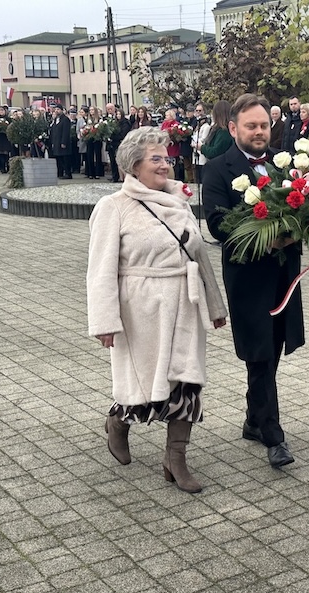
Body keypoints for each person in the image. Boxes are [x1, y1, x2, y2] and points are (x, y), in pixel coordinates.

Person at [87, 126, 228, 493]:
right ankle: (118, 423)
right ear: (133, 165)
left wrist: (215, 304)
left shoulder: (179, 202)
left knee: (186, 382)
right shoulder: (113, 207)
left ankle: (175, 458)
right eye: (156, 159)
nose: (165, 165)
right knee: (143, 384)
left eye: (166, 158)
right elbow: (100, 270)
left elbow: (197, 255)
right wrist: (105, 321)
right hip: (141, 310)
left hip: (185, 303)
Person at [203, 93, 305, 469]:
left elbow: (303, 205)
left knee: (271, 349)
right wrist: (267, 236)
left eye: (263, 125)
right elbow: (218, 224)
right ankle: (273, 436)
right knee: (259, 353)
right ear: (233, 129)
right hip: (248, 278)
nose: (259, 131)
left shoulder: (284, 164)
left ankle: (253, 420)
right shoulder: (218, 169)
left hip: (284, 275)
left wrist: (302, 227)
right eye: (251, 126)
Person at [49, 104, 73, 179]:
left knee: (65, 159)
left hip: (63, 142)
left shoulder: (65, 119)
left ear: (62, 110)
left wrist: (63, 142)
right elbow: (54, 131)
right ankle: (60, 173)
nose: (56, 111)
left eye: (58, 109)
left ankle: (68, 173)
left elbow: (66, 132)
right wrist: (53, 142)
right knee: (59, 158)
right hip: (56, 142)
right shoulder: (56, 119)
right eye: (55, 109)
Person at [109, 108, 132, 182]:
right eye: (117, 114)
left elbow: (123, 134)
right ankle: (114, 176)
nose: (118, 116)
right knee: (113, 161)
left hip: (120, 143)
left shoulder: (125, 123)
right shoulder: (114, 122)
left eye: (119, 114)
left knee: (119, 161)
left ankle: (122, 177)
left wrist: (113, 137)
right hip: (113, 143)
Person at [160, 109, 183, 180]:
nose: (166, 116)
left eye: (167, 115)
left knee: (174, 164)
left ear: (171, 116)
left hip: (173, 147)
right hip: (166, 147)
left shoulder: (176, 124)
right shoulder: (164, 123)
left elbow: (178, 134)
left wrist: (172, 139)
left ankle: (176, 177)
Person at [191, 103, 211, 185]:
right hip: (195, 153)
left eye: (200, 110)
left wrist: (195, 143)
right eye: (197, 110)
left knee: (201, 175)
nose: (198, 112)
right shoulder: (197, 126)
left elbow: (203, 139)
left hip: (201, 154)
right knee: (196, 175)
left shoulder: (206, 127)